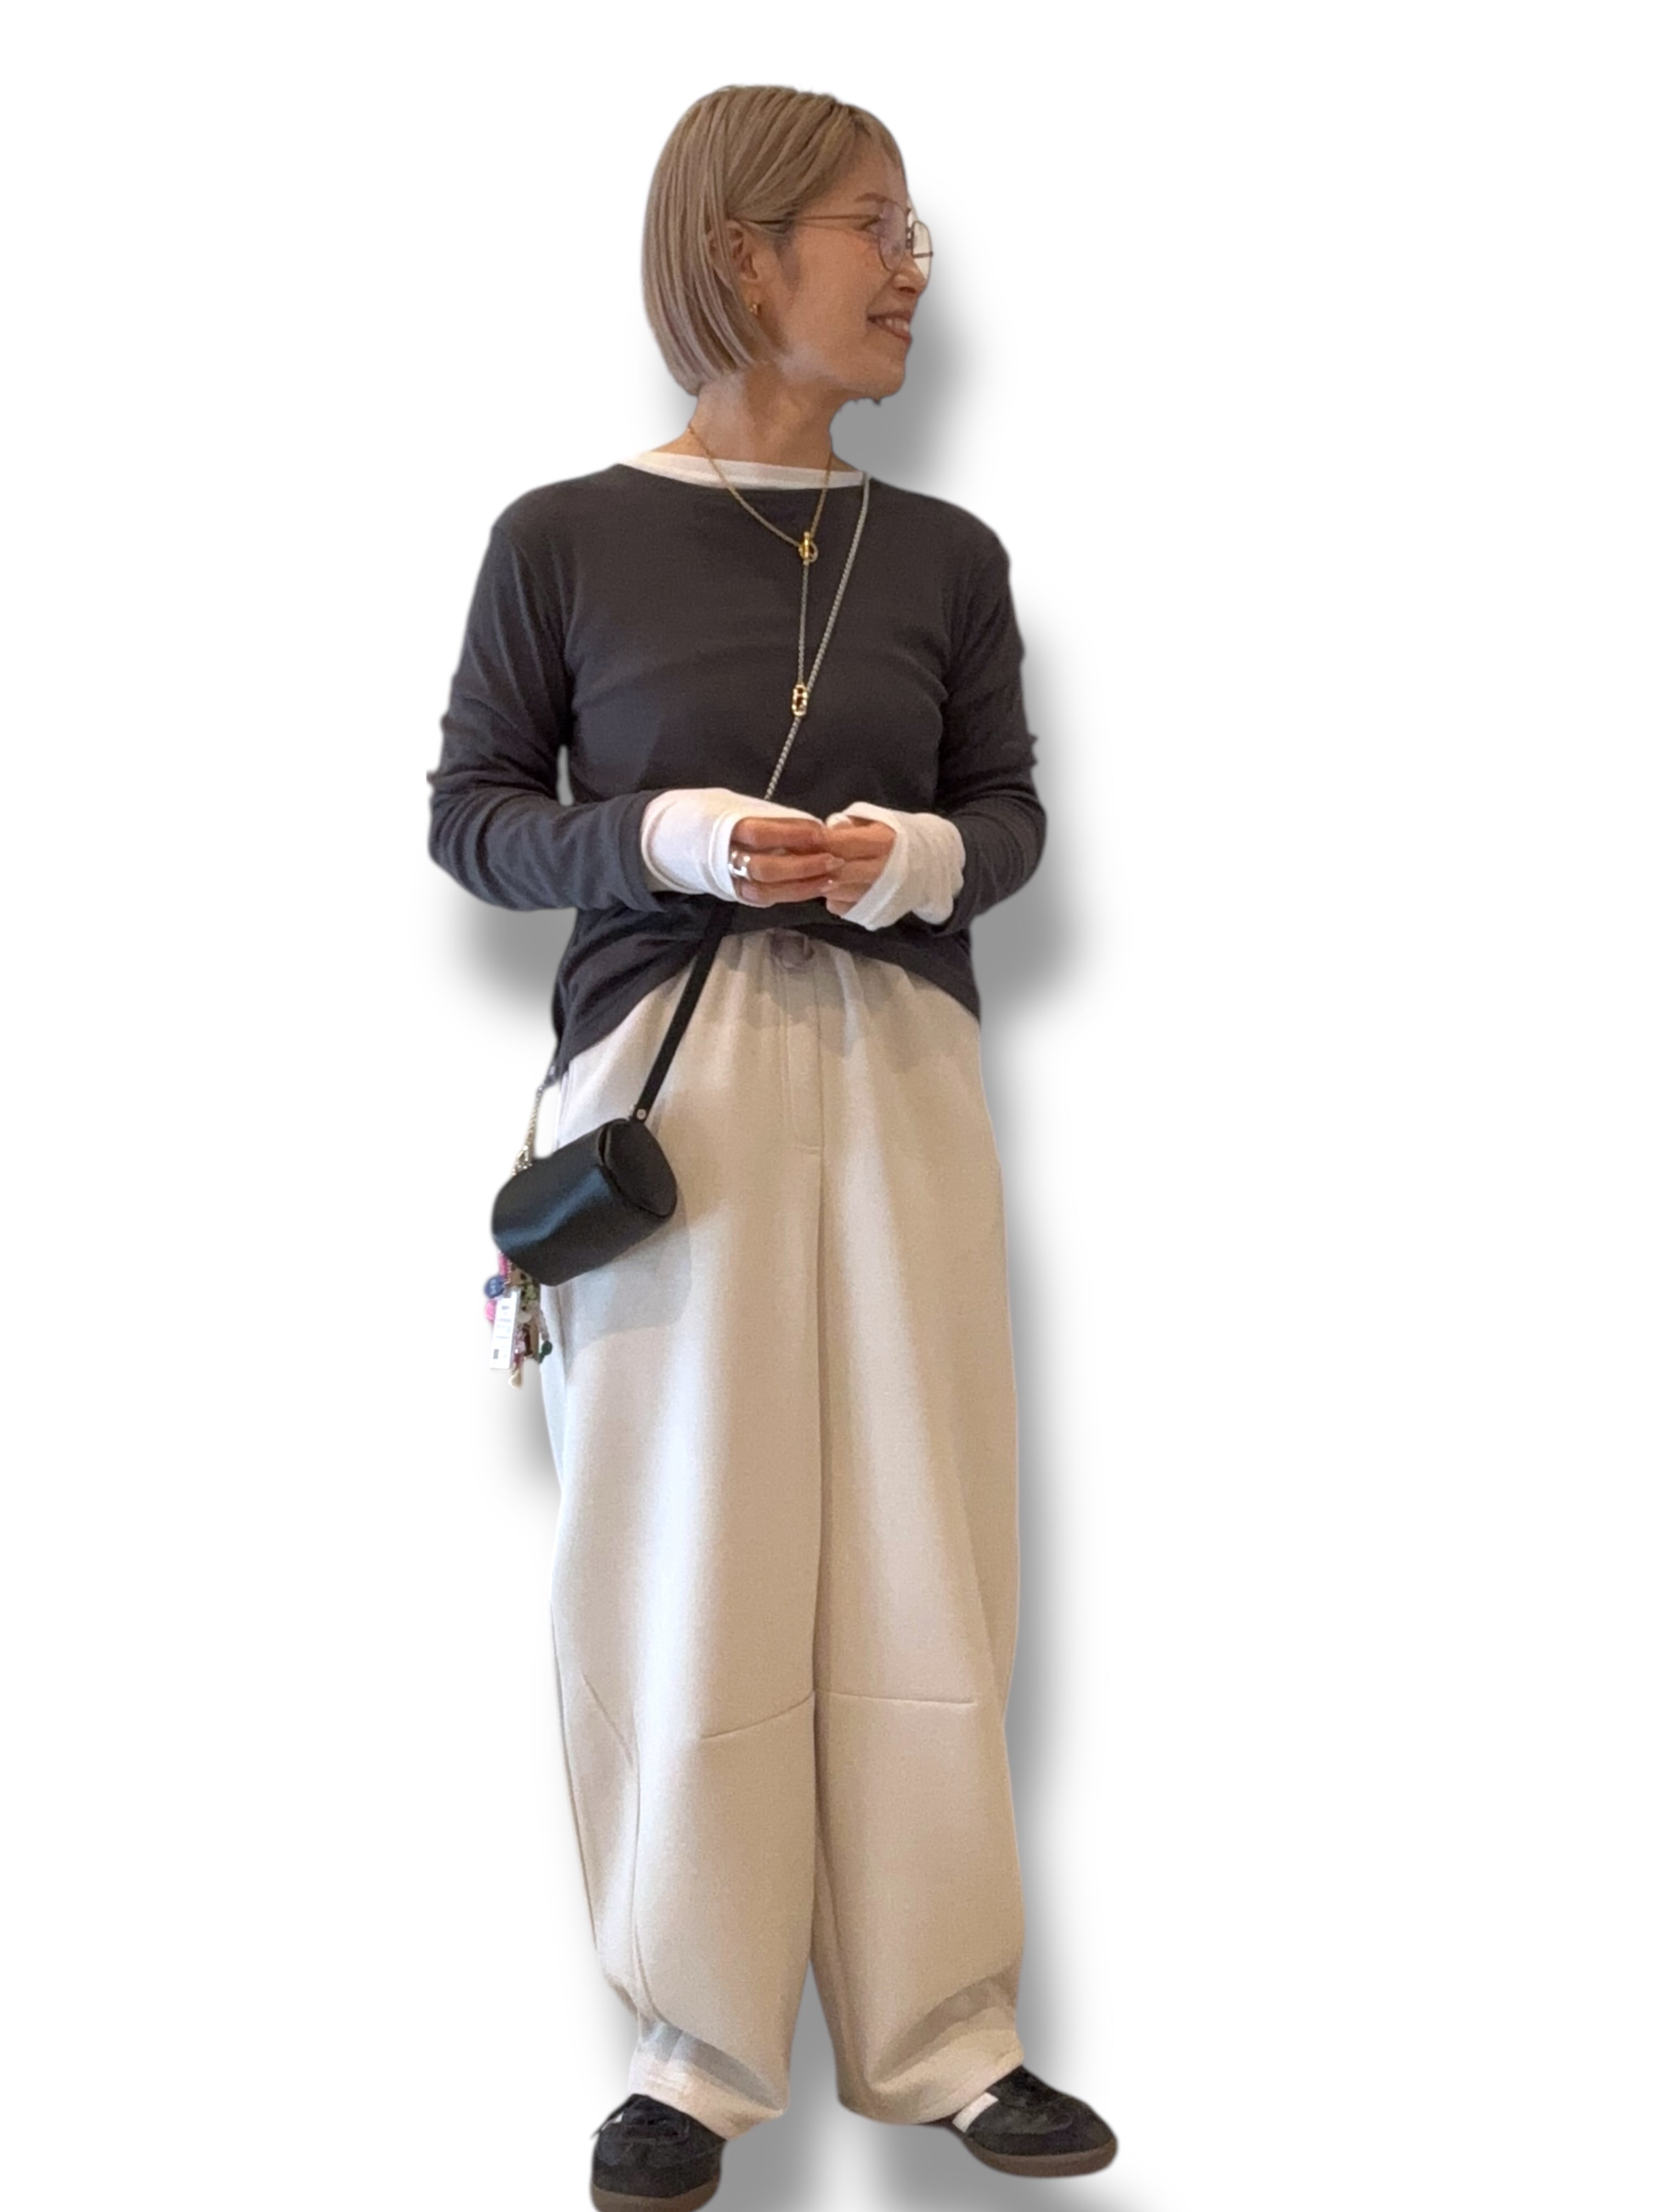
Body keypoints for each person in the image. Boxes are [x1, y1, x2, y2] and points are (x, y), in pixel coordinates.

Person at [428, 82, 1116, 2212]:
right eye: (872, 227)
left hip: (898, 1074)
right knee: (683, 1554)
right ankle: (697, 2054)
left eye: (911, 231)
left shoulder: (949, 556)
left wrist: (916, 860)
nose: (914, 267)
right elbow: (474, 818)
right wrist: (662, 835)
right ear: (746, 255)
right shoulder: (563, 537)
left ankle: (950, 2034)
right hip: (668, 1093)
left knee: (925, 1536)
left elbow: (1010, 814)